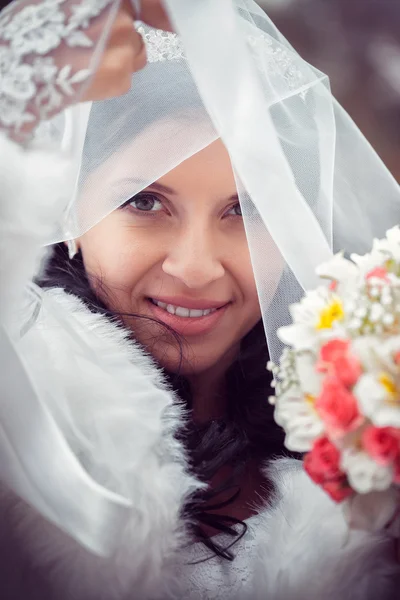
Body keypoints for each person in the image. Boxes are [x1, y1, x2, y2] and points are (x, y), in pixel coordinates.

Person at [0, 1, 399, 599]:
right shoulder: (17, 412)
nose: (194, 267)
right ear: (70, 212)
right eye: (145, 202)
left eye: (245, 210)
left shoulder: (362, 419)